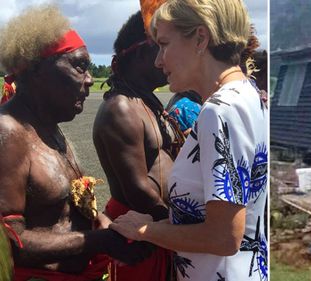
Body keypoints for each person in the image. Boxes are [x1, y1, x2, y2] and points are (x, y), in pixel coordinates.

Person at [110, 1, 269, 280]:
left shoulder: (219, 111)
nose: (159, 61)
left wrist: (145, 231)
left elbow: (224, 238)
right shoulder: (248, 94)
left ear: (200, 38)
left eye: (164, 44)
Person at [0, 5, 152, 280]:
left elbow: (73, 212)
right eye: (79, 66)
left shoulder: (49, 128)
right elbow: (10, 242)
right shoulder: (8, 133)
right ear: (36, 70)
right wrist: (100, 241)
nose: (91, 80)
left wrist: (114, 231)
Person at [93, 11, 180, 281]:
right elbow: (137, 187)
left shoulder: (146, 102)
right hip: (137, 232)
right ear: (140, 53)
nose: (166, 58)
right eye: (161, 47)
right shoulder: (121, 107)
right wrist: (179, 225)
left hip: (157, 227)